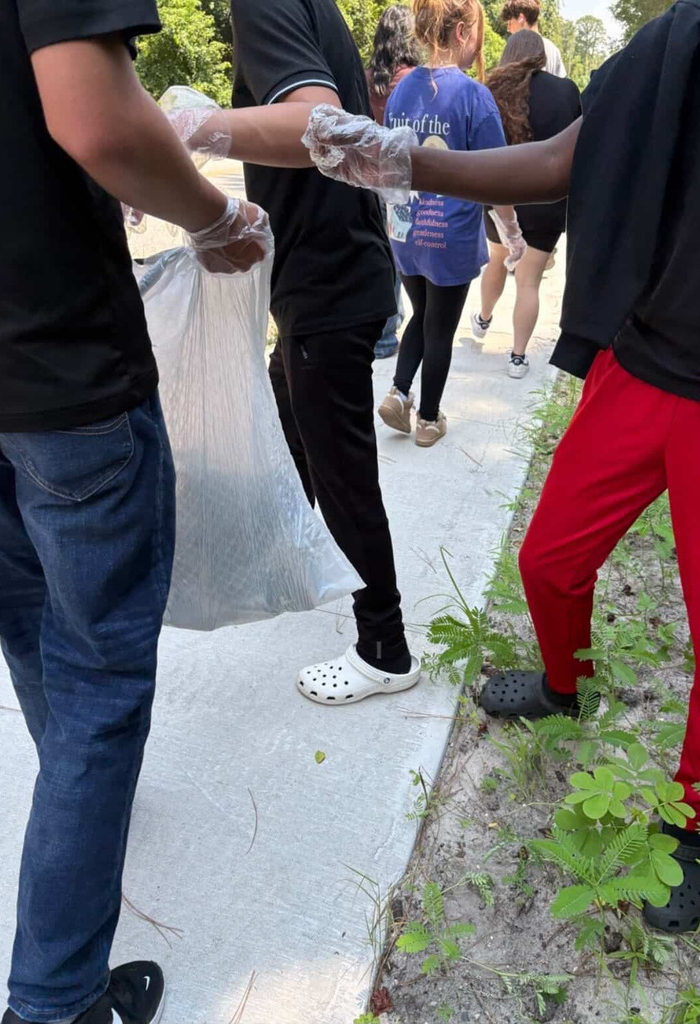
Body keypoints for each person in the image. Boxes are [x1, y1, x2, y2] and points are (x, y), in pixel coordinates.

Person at [302, 0, 700, 933]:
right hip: (639, 362)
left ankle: (691, 823)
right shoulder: (690, 34)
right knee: (547, 561)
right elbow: (563, 160)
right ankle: (563, 683)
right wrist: (400, 159)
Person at [0, 3, 268, 1024]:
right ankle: (55, 1004)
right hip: (58, 372)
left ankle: (85, 804)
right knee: (101, 682)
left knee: (30, 623)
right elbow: (97, 121)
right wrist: (213, 217)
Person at [172, 0, 421, 703]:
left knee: (343, 473)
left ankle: (385, 647)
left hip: (328, 283)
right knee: (289, 435)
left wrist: (182, 130)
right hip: (327, 275)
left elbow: (316, 123)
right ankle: (280, 563)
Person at [376, 0, 523, 448]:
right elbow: (496, 177)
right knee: (441, 325)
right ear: (462, 32)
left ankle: (399, 392)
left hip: (404, 228)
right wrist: (512, 233)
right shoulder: (474, 96)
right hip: (448, 233)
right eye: (477, 30)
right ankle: (429, 419)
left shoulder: (401, 90)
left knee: (424, 313)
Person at [471, 31, 580, 378]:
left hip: (502, 196)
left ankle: (484, 320)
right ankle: (517, 357)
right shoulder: (566, 91)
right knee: (529, 281)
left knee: (497, 261)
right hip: (548, 199)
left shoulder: (490, 88)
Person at [366, 5, 421, 359]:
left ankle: (381, 328)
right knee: (399, 252)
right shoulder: (416, 78)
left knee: (379, 252)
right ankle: (389, 332)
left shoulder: (367, 74)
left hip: (368, 173)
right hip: (403, 178)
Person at [502, 0, 566, 77]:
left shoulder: (517, 47)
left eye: (510, 22)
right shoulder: (553, 49)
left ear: (521, 18)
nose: (508, 28)